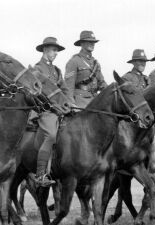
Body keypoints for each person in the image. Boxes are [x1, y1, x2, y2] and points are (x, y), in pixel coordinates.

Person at [33, 37, 73, 186]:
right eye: (53, 50)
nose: (56, 53)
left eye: (57, 51)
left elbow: (65, 89)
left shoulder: (56, 70)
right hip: (46, 110)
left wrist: (70, 102)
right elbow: (38, 92)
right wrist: (53, 105)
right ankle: (41, 174)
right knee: (50, 135)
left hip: (60, 109)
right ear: (45, 50)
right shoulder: (37, 69)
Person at [64, 30, 106, 107]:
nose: (92, 44)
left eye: (93, 42)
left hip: (95, 99)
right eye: (89, 42)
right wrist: (71, 103)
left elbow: (102, 83)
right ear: (82, 43)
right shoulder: (74, 61)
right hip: (80, 100)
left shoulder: (95, 63)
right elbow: (68, 86)